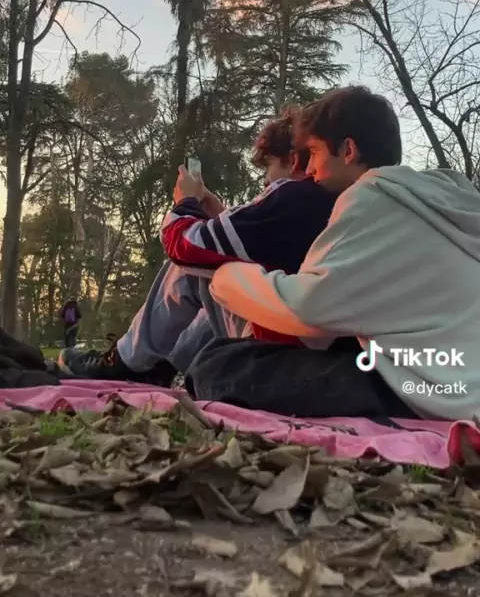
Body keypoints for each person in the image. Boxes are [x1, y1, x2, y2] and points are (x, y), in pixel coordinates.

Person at [186, 85, 480, 422]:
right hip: (459, 381)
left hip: (426, 392)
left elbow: (306, 310)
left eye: (313, 152)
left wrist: (228, 277)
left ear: (348, 150)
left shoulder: (372, 197)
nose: (309, 168)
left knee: (219, 363)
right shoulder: (445, 198)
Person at [58, 110, 338, 382]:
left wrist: (185, 203)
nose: (265, 180)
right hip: (318, 343)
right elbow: (260, 248)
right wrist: (217, 213)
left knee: (194, 271)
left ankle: (125, 362)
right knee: (219, 274)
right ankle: (161, 367)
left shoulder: (295, 195)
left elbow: (185, 246)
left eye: (269, 166)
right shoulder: (331, 200)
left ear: (292, 160)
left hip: (287, 348)